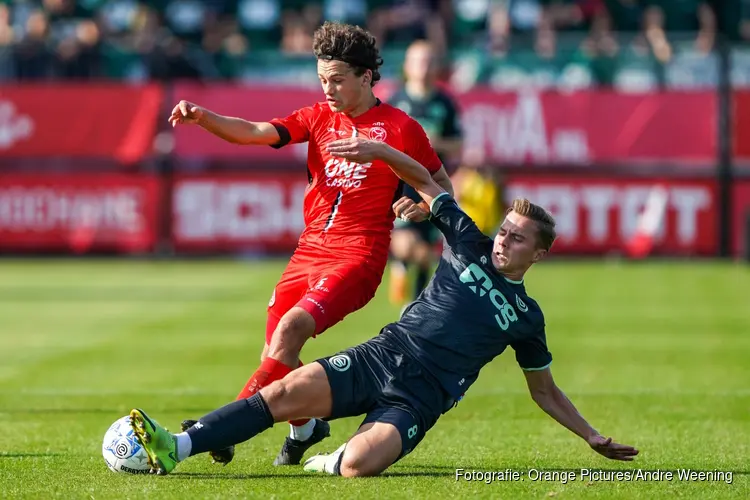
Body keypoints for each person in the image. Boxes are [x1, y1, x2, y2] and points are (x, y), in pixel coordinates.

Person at [127, 136, 639, 477]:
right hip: (383, 356)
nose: (504, 242)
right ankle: (179, 445)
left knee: (357, 468)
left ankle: (333, 457)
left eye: (519, 240)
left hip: (422, 397)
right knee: (283, 392)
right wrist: (377, 149)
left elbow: (544, 391)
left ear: (539, 254)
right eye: (505, 231)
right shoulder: (467, 240)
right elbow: (428, 181)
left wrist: (591, 436)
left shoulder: (527, 318)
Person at [168, 21, 454, 467]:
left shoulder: (400, 128)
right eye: (322, 79)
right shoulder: (317, 117)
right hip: (307, 253)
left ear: (366, 76)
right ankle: (304, 427)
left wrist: (423, 206)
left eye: (337, 80)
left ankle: (218, 432)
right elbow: (254, 131)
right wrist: (203, 117)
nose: (328, 89)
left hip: (359, 255)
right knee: (276, 353)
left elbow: (439, 183)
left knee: (289, 331)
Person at [387, 39, 463, 307]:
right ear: (407, 66)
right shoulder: (395, 101)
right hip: (400, 183)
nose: (425, 67)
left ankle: (415, 302)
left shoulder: (445, 103)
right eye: (419, 61)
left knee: (425, 250)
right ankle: (400, 266)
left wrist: (434, 142)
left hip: (432, 183)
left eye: (430, 61)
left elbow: (458, 143)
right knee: (406, 243)